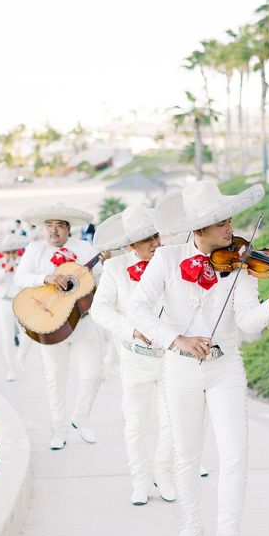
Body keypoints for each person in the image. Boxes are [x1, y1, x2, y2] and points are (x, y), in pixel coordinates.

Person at [128, 180, 269, 536]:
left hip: (226, 367)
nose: (230, 228)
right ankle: (191, 524)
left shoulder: (239, 264)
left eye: (230, 220)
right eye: (222, 222)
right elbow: (138, 308)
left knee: (234, 454)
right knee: (187, 454)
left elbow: (248, 322)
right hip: (181, 368)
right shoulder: (168, 259)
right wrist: (177, 339)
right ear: (199, 229)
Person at [91, 205, 176, 506]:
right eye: (146, 240)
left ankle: (163, 473)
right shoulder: (115, 269)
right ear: (130, 245)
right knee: (137, 422)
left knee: (173, 421)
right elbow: (99, 309)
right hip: (134, 358)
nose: (155, 243)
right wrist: (130, 329)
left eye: (156, 236)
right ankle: (140, 482)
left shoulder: (170, 260)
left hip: (171, 356)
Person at [15, 202, 106, 450]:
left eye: (59, 226)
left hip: (82, 322)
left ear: (68, 229)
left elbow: (100, 279)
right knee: (56, 378)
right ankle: (59, 429)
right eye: (49, 226)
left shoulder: (85, 248)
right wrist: (45, 278)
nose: (53, 231)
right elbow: (19, 278)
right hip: (51, 324)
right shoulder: (35, 249)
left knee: (94, 374)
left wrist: (98, 272)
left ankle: (81, 418)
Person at [0, 234, 30, 381]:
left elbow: (26, 280)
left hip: (20, 302)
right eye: (8, 252)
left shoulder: (22, 262)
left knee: (27, 334)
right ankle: (11, 369)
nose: (11, 255)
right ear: (2, 252)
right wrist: (5, 270)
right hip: (4, 302)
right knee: (7, 337)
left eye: (13, 251)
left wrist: (16, 267)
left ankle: (20, 356)